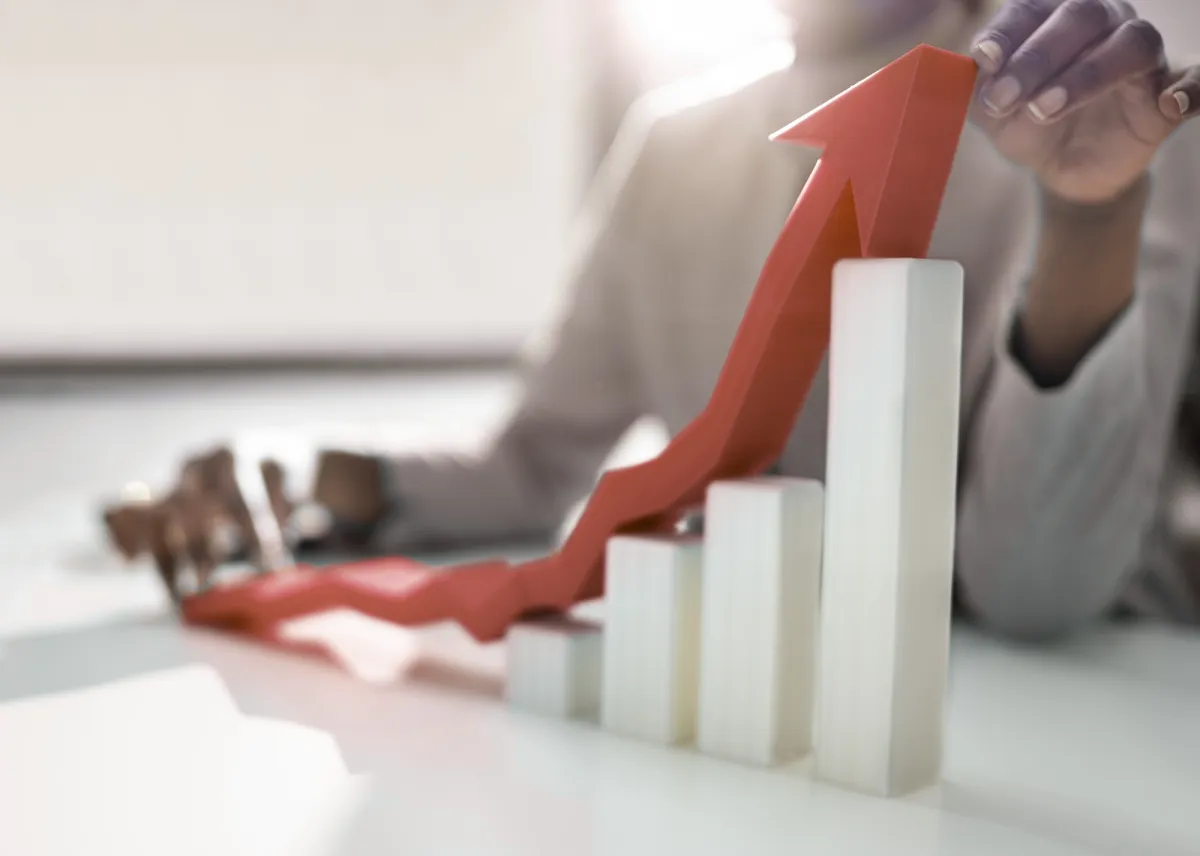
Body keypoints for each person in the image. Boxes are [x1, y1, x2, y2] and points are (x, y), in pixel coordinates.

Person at [104, 0, 1200, 639]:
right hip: (748, 710)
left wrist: (1087, 222)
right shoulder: (676, 142)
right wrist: (309, 470)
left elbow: (1039, 595)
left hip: (1085, 721)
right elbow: (533, 468)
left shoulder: (1112, 123)